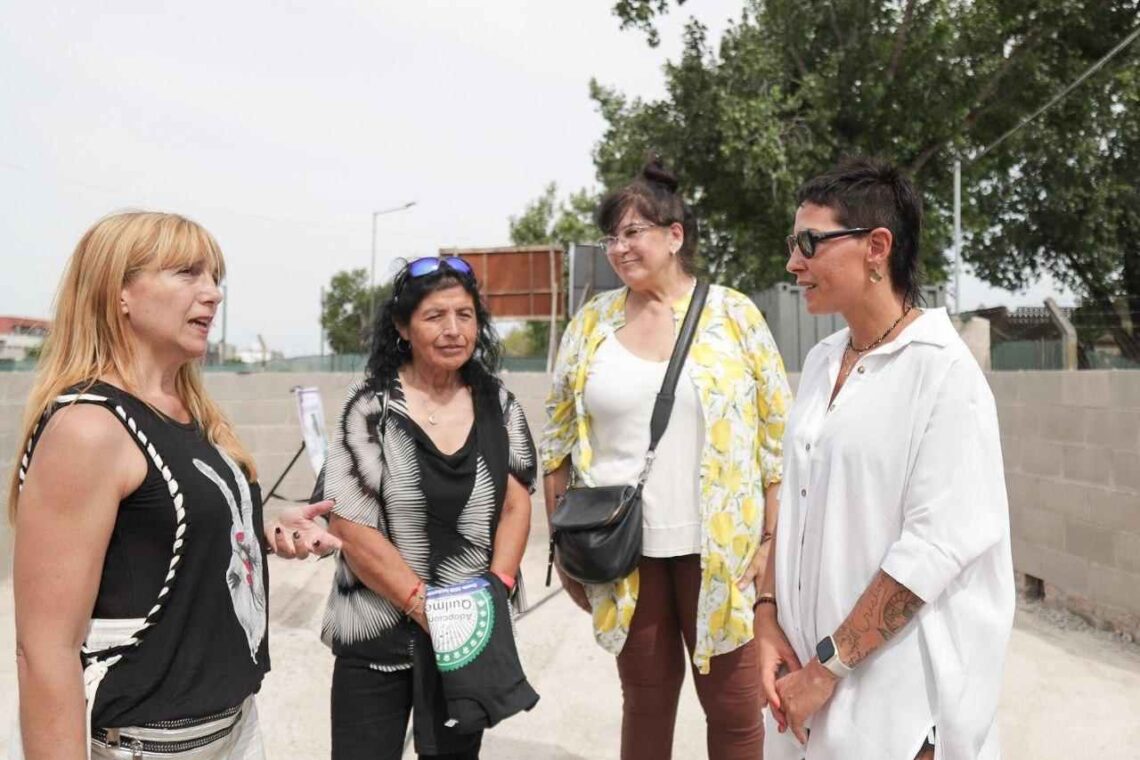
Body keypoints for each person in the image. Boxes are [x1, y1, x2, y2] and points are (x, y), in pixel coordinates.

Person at [8, 211, 337, 760]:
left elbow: (161, 525)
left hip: (231, 728)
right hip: (146, 746)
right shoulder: (89, 429)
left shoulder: (189, 412)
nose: (212, 294)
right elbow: (43, 651)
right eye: (187, 273)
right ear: (120, 294)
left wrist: (263, 524)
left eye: (215, 277)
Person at [756, 158, 1014, 760]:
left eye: (810, 243)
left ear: (877, 247)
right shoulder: (822, 361)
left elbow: (933, 551)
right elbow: (794, 501)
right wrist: (766, 618)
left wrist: (825, 672)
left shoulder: (945, 376)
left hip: (894, 706)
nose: (794, 262)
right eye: (794, 243)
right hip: (803, 694)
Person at [541, 158, 793, 760]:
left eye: (634, 232)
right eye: (612, 237)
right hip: (625, 552)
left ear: (674, 236)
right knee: (647, 705)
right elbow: (555, 444)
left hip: (722, 552)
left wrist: (770, 542)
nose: (620, 248)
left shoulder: (734, 315)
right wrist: (563, 543)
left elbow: (778, 442)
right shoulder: (591, 324)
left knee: (734, 713)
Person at [320, 255, 537, 760]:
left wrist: (493, 591)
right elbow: (350, 525)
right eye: (435, 316)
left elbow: (515, 505)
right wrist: (427, 608)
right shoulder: (370, 407)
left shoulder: (499, 405)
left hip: (467, 639)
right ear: (402, 326)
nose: (453, 330)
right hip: (377, 630)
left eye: (464, 315)